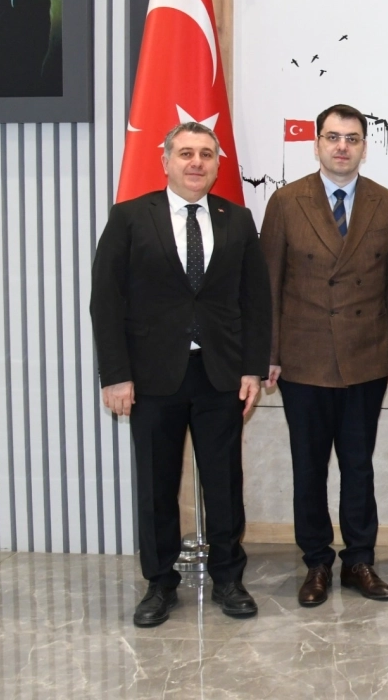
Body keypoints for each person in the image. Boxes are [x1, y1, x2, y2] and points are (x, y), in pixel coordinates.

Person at [91, 121, 270, 627]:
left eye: (206, 154)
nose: (196, 162)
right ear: (165, 160)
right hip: (151, 377)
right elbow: (106, 300)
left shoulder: (237, 219)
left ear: (216, 164)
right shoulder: (130, 217)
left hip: (220, 374)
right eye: (186, 153)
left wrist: (253, 369)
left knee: (224, 482)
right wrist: (115, 375)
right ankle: (159, 583)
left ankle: (229, 578)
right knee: (156, 483)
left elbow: (256, 301)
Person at [259, 104, 388, 607]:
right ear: (317, 144)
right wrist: (269, 354)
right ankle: (317, 562)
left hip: (366, 356)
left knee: (359, 467)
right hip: (304, 359)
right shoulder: (286, 201)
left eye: (352, 138)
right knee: (309, 468)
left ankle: (360, 560)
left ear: (364, 146)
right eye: (333, 137)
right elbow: (269, 285)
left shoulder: (386, 203)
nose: (342, 147)